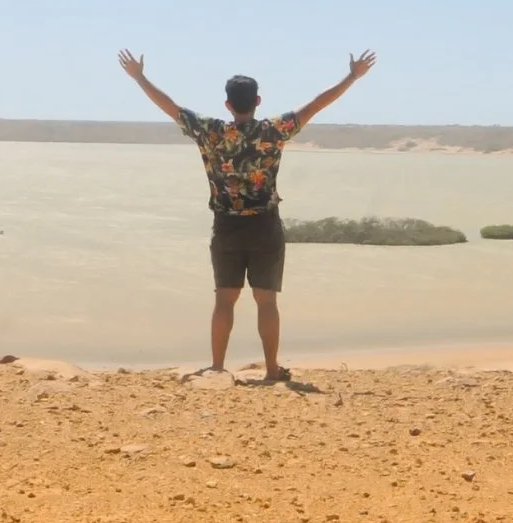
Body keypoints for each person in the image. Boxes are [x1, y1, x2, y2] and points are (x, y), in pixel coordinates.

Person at [117, 49, 376, 385]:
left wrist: (138, 77)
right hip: (264, 226)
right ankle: (270, 370)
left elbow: (169, 106)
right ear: (257, 100)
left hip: (226, 225)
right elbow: (315, 105)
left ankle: (217, 366)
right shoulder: (273, 130)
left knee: (225, 297)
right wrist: (352, 77)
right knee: (266, 300)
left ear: (228, 104)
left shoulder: (210, 132)